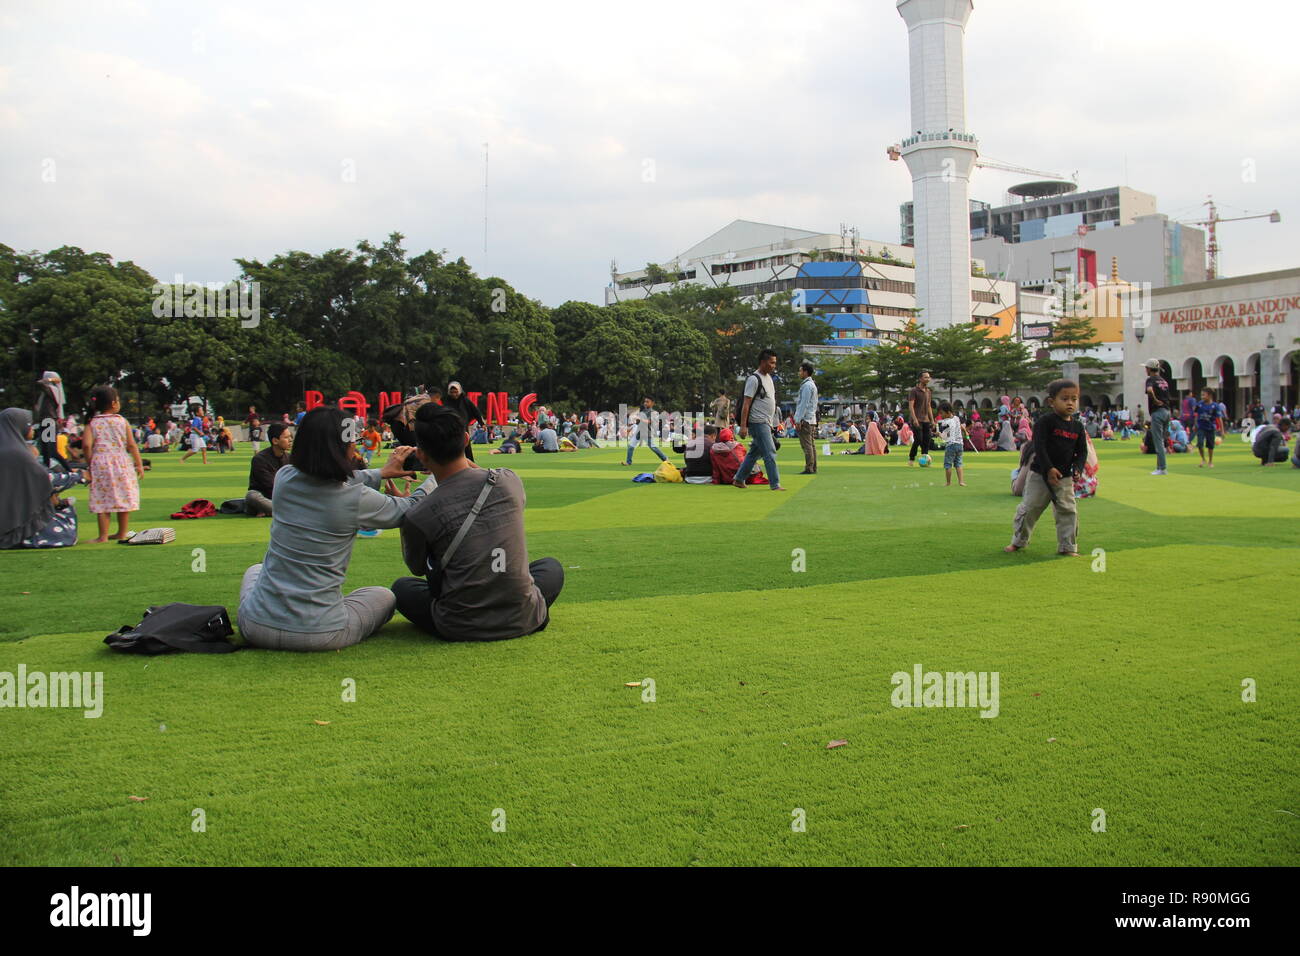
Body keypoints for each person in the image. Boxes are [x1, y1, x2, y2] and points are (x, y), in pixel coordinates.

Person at [237, 406, 436, 651]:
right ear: (341, 446)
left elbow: (327, 478)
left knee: (255, 570)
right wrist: (439, 470)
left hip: (255, 625)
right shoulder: (353, 497)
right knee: (384, 596)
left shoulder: (284, 478)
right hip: (321, 632)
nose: (356, 446)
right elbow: (411, 508)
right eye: (354, 440)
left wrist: (380, 473)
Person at [392, 404, 563, 641]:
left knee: (403, 588)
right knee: (551, 568)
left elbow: (417, 568)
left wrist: (411, 504)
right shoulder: (508, 481)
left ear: (420, 454)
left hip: (459, 623)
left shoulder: (418, 514)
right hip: (523, 616)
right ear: (465, 438)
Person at [1004, 379, 1087, 557]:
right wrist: (1049, 468)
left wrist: (1078, 468)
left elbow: (1081, 452)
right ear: (1051, 401)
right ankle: (1018, 541)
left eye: (1074, 399)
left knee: (1068, 512)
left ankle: (1067, 546)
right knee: (1029, 508)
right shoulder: (1045, 422)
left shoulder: (1078, 426)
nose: (1070, 403)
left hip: (1064, 478)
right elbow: (1039, 447)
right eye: (1064, 399)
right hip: (1040, 475)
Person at [0, 408, 85, 549]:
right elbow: (46, 478)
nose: (32, 429)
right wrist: (77, 475)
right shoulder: (18, 453)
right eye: (29, 425)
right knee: (63, 528)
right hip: (12, 522)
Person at [83, 385, 143, 543]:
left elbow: (87, 445)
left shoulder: (92, 423)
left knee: (102, 499)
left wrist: (90, 463)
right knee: (123, 497)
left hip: (100, 462)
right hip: (121, 462)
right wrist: (139, 464)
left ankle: (103, 536)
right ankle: (121, 533)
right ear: (114, 403)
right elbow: (131, 445)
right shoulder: (122, 421)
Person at [732, 349, 785, 491]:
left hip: (766, 422)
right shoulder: (754, 379)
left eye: (775, 363)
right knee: (770, 451)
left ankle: (739, 478)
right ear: (763, 362)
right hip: (757, 422)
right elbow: (746, 403)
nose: (774, 366)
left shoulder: (768, 378)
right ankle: (775, 484)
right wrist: (743, 426)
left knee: (754, 453)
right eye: (771, 362)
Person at [244, 423, 293, 516]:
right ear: (275, 441)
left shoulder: (290, 458)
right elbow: (271, 486)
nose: (290, 440)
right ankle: (284, 511)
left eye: (290, 437)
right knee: (252, 496)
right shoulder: (259, 459)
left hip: (284, 499)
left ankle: (274, 511)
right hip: (266, 497)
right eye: (286, 437)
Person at [1143, 358, 1173, 476]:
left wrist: (1155, 400)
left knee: (1158, 441)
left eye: (1146, 368)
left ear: (1149, 369)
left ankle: (1162, 468)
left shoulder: (1150, 380)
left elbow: (1150, 390)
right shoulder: (1163, 381)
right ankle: (1159, 467)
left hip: (1158, 412)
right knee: (1162, 440)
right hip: (1167, 411)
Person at [32, 370, 67, 467]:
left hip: (49, 421)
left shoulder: (52, 390)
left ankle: (69, 470)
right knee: (45, 451)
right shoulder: (50, 391)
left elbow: (40, 383)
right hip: (45, 421)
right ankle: (47, 469)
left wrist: (49, 379)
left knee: (51, 451)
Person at [443, 382, 485, 462]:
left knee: (466, 446)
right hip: (451, 427)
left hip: (462, 426)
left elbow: (475, 411)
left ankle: (471, 464)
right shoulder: (447, 401)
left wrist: (481, 423)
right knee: (452, 446)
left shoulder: (465, 400)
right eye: (452, 392)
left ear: (459, 391)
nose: (454, 394)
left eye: (456, 392)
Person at [623, 397, 669, 466]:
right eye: (645, 401)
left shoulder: (654, 412)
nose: (645, 403)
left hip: (647, 432)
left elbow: (649, 421)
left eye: (647, 401)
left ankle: (665, 459)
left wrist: (639, 418)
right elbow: (638, 422)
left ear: (652, 403)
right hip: (639, 432)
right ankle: (628, 462)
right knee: (630, 446)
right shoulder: (642, 411)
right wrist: (634, 423)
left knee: (653, 447)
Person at [793, 361, 819, 475]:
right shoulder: (811, 385)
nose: (799, 373)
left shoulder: (807, 386)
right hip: (811, 418)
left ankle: (809, 467)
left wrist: (798, 420)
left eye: (800, 370)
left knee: (807, 445)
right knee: (811, 445)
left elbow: (803, 404)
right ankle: (813, 466)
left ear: (805, 372)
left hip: (806, 419)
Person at [907, 371, 935, 466]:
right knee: (918, 439)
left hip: (926, 419)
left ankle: (925, 458)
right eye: (926, 377)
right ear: (920, 379)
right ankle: (911, 457)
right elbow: (911, 406)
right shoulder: (914, 391)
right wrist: (914, 419)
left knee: (927, 439)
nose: (928, 379)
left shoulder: (928, 391)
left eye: (929, 377)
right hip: (917, 419)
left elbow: (929, 406)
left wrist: (932, 420)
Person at [937, 401, 966, 487]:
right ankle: (961, 481)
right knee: (958, 463)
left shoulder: (945, 422)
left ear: (948, 412)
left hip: (951, 445)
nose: (941, 416)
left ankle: (948, 482)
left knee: (948, 464)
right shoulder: (957, 418)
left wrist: (939, 435)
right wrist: (965, 431)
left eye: (942, 413)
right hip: (960, 444)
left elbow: (945, 437)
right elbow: (961, 426)